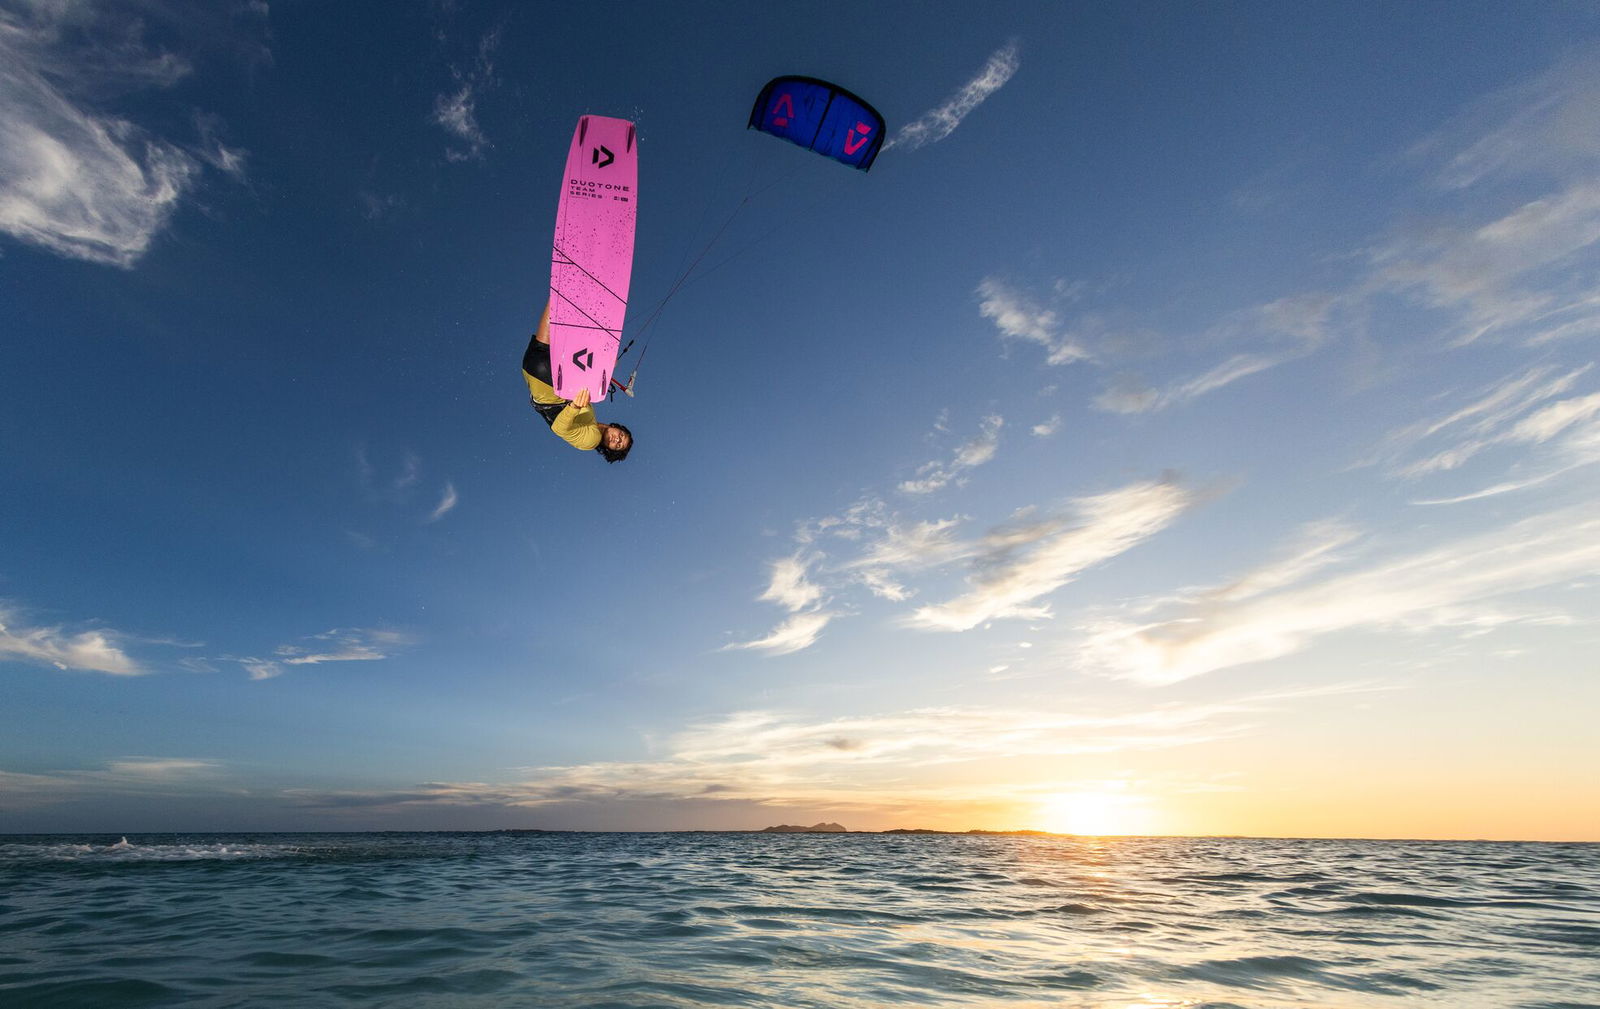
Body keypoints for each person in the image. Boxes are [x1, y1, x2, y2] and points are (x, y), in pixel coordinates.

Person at [521, 302, 633, 463]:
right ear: (616, 427)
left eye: (618, 445)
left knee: (558, 305)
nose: (617, 440)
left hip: (546, 379)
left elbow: (559, 429)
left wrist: (574, 407)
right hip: (534, 369)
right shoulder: (591, 421)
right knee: (556, 301)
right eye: (621, 436)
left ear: (610, 450)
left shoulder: (592, 440)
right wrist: (602, 369)